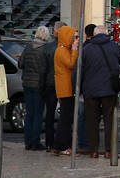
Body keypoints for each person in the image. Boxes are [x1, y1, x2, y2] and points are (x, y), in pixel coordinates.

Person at [80, 21, 120, 159]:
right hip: (109, 90)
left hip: (90, 91)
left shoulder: (86, 49)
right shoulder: (114, 47)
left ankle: (93, 151)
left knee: (92, 121)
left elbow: (79, 70)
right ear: (106, 34)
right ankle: (108, 151)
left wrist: (78, 88)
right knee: (109, 121)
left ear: (93, 35)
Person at [18, 25, 52, 151]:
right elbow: (46, 68)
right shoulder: (45, 49)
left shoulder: (28, 47)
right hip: (39, 85)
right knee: (38, 114)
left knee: (29, 114)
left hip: (27, 84)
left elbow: (20, 64)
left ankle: (27, 141)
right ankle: (35, 141)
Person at [51, 24, 80, 154]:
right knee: (65, 120)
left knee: (66, 119)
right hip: (65, 89)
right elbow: (71, 64)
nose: (76, 40)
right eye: (74, 37)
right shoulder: (62, 50)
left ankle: (59, 145)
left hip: (66, 88)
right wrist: (74, 49)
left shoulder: (62, 49)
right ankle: (63, 146)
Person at [40, 25, 60, 150]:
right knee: (65, 115)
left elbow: (43, 69)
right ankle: (62, 141)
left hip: (50, 83)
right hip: (62, 84)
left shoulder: (47, 48)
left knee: (50, 115)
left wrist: (42, 85)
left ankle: (49, 142)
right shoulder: (68, 48)